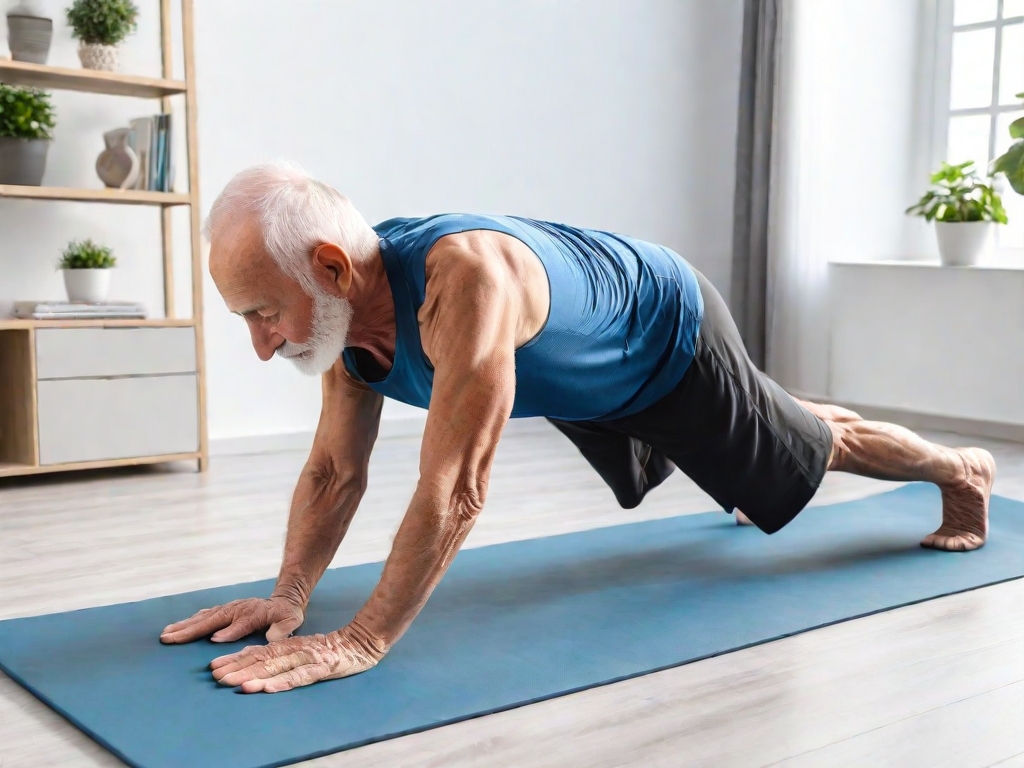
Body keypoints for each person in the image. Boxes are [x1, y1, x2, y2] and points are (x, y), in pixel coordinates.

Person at [160, 162, 995, 694]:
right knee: (781, 430)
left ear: (331, 269)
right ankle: (777, 423)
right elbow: (335, 472)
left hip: (664, 336)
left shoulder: (465, 285)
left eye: (265, 314)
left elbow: (455, 489)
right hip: (587, 377)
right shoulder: (346, 322)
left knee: (814, 452)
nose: (264, 346)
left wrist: (362, 638)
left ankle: (963, 470)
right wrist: (290, 594)